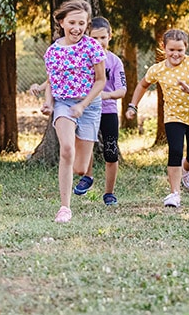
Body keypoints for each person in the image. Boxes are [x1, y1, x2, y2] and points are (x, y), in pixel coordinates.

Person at [29, 16, 126, 206]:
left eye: (103, 38)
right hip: (75, 107)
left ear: (110, 37)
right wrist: (42, 89)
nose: (99, 42)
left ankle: (109, 193)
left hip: (106, 111)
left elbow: (121, 89)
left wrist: (103, 96)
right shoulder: (80, 53)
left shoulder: (114, 61)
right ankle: (87, 176)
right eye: (95, 38)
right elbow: (58, 77)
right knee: (75, 146)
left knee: (110, 151)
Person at [125, 29, 189, 208]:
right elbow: (142, 85)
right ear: (163, 48)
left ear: (186, 48)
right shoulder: (157, 69)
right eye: (171, 49)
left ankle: (186, 168)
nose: (176, 54)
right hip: (173, 117)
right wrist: (133, 105)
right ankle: (174, 194)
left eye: (180, 50)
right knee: (175, 151)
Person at [41, 0, 106, 223]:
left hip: (89, 106)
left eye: (82, 23)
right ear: (61, 22)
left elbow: (100, 81)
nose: (77, 28)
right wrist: (48, 103)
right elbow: (51, 81)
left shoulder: (92, 47)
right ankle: (64, 208)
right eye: (72, 22)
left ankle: (83, 174)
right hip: (64, 104)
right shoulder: (52, 51)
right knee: (66, 150)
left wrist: (83, 105)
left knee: (80, 168)